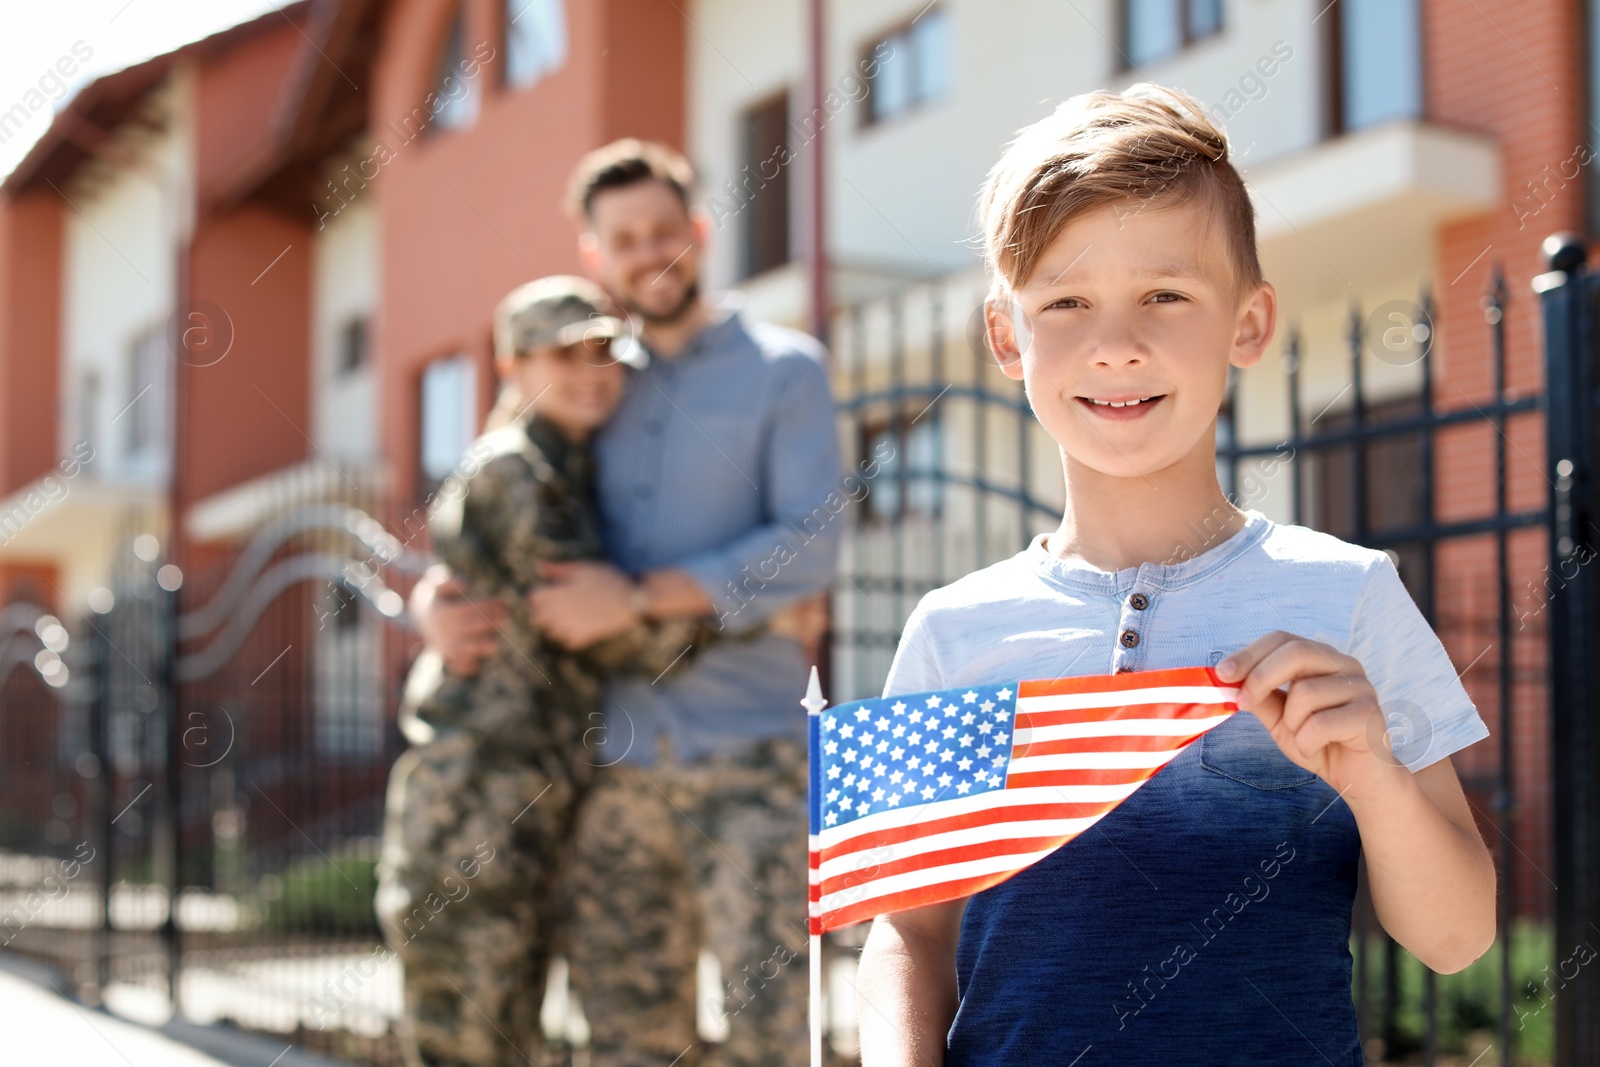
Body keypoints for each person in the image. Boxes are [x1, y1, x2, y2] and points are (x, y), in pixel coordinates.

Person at [854, 85, 1496, 1066]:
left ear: (1248, 322)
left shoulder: (1350, 595)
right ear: (1004, 336)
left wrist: (1371, 774)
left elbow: (1457, 938)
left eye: (1164, 293)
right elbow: (909, 930)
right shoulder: (953, 630)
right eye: (1063, 302)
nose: (1115, 341)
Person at [409, 140, 844, 1067]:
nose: (651, 254)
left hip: (753, 762)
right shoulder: (594, 377)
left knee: (779, 1041)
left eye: (664, 231)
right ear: (597, 256)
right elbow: (492, 501)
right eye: (624, 240)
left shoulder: (785, 369)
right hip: (612, 773)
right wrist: (429, 604)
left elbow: (813, 545)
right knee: (628, 1046)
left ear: (697, 231)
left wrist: (640, 597)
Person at [375, 276, 731, 1067]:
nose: (591, 369)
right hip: (474, 812)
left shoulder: (566, 466)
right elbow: (600, 628)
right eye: (564, 354)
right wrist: (745, 606)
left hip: (527, 813)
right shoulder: (517, 470)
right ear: (512, 363)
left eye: (604, 349)